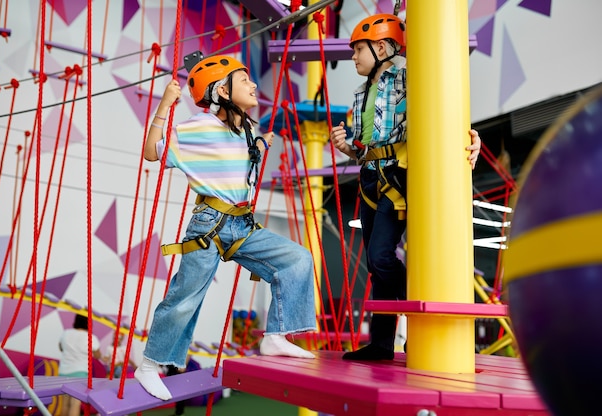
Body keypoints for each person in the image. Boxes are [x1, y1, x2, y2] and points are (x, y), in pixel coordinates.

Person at [135, 55, 317, 400]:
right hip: (209, 225)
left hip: (242, 224)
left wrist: (260, 146)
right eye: (243, 80)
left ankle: (276, 336)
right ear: (222, 90)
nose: (253, 85)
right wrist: (165, 105)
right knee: (186, 299)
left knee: (296, 259)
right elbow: (150, 152)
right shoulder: (198, 127)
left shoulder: (245, 130)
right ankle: (149, 365)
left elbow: (235, 166)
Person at [329, 14, 482, 361]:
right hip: (371, 173)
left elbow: (442, 105)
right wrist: (347, 146)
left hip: (398, 174)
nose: (353, 57)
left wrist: (469, 134)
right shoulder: (362, 90)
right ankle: (382, 343)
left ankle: (420, 314)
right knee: (375, 261)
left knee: (383, 255)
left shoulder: (409, 77)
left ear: (381, 47)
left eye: (358, 50)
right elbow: (366, 145)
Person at [58, 314, 102, 416]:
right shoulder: (91, 337)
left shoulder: (66, 333)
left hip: (63, 372)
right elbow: (97, 355)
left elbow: (61, 348)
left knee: (65, 404)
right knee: (75, 403)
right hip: (80, 373)